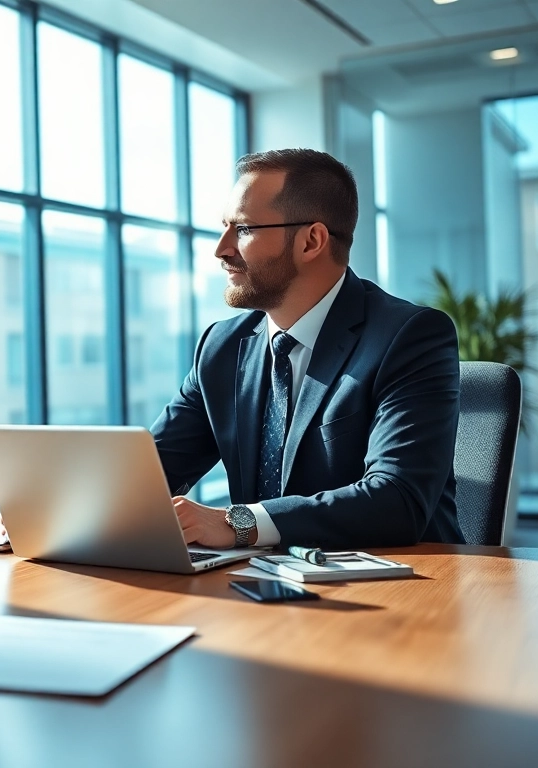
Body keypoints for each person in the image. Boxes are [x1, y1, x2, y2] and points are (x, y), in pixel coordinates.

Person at [152, 149, 464, 551]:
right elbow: (149, 475)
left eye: (243, 229)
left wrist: (238, 523)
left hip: (403, 589)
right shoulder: (221, 347)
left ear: (312, 240)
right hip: (260, 585)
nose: (222, 248)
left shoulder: (409, 337)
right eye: (224, 227)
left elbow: (397, 500)